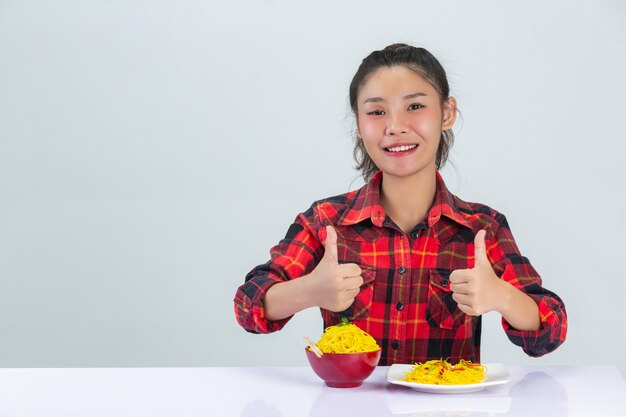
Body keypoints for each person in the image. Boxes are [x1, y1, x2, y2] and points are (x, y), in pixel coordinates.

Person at [233, 43, 567, 366]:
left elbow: (551, 329)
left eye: (415, 106)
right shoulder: (326, 221)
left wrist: (502, 297)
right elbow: (248, 306)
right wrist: (309, 291)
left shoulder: (483, 228)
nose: (395, 127)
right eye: (377, 112)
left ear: (447, 113)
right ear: (359, 124)